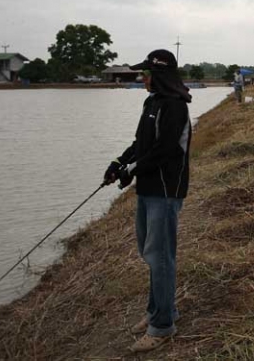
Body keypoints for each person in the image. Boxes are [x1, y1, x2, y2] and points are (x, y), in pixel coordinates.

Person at [102, 49, 192, 353]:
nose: (143, 78)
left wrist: (132, 170)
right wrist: (120, 163)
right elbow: (141, 144)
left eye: (146, 74)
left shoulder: (175, 107)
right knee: (149, 252)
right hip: (148, 189)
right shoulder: (151, 102)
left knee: (161, 256)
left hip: (165, 192)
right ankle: (159, 310)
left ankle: (162, 326)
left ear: (160, 75)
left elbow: (165, 150)